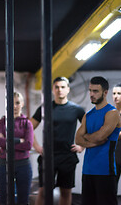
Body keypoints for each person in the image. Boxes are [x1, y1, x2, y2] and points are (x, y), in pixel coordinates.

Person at [30, 77, 85, 205]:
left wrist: (82, 146)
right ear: (53, 90)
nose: (60, 90)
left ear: (68, 89)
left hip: (67, 156)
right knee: (44, 191)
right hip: (48, 156)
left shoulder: (77, 109)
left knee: (65, 192)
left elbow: (89, 128)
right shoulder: (45, 108)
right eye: (57, 87)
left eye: (62, 87)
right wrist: (36, 146)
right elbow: (29, 127)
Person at [75, 76, 121, 205]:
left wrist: (87, 137)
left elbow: (100, 137)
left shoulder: (112, 113)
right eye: (90, 90)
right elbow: (77, 139)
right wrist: (92, 141)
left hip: (105, 171)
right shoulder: (88, 115)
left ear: (105, 93)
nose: (91, 94)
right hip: (88, 170)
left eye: (95, 91)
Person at [0, 92, 34, 205]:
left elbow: (28, 145)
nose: (15, 106)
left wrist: (6, 141)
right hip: (4, 164)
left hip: (23, 165)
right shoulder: (1, 122)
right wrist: (19, 140)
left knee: (23, 201)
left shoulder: (27, 124)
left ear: (22, 104)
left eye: (17, 103)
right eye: (12, 103)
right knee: (3, 200)